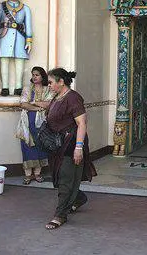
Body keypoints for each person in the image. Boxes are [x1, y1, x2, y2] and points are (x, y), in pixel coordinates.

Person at [45, 68, 96, 230]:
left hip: (71, 144)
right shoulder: (57, 97)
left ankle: (60, 214)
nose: (49, 85)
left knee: (66, 180)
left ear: (61, 82)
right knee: (61, 177)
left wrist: (78, 148)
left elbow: (82, 123)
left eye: (51, 82)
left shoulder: (73, 98)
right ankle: (78, 198)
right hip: (58, 146)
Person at [0, 0, 33, 96]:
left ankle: (18, 87)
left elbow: (29, 26)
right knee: (4, 61)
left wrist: (29, 40)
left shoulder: (26, 9)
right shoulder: (1, 6)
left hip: (20, 38)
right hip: (5, 37)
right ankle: (4, 87)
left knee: (20, 62)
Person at [18, 66, 53, 184]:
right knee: (27, 147)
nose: (34, 77)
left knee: (41, 146)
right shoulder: (27, 89)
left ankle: (37, 174)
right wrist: (38, 108)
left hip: (42, 124)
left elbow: (49, 104)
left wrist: (33, 104)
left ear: (42, 76)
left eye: (37, 75)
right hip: (27, 123)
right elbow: (23, 104)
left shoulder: (48, 89)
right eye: (33, 75)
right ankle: (28, 175)